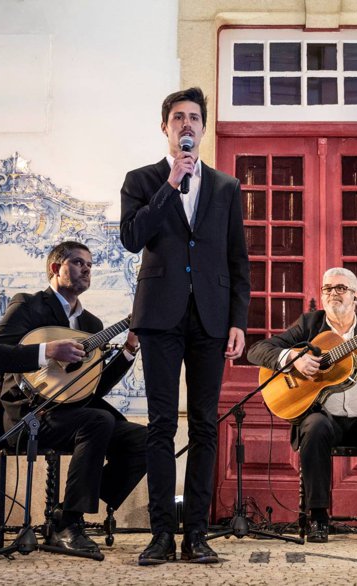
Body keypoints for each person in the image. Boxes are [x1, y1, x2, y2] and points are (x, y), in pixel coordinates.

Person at [120, 87, 250, 565]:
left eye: (195, 117)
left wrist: (238, 321)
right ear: (166, 127)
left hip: (211, 319)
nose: (187, 124)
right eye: (179, 117)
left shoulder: (226, 187)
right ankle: (161, 534)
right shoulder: (141, 180)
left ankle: (196, 533)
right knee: (160, 425)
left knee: (204, 426)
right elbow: (132, 238)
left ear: (204, 127)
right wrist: (170, 183)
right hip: (159, 317)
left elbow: (239, 260)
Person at [0, 241, 147, 557]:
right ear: (56, 268)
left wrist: (129, 348)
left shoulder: (91, 325)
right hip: (30, 416)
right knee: (98, 420)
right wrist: (46, 351)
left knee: (144, 440)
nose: (87, 269)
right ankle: (69, 525)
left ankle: (64, 511)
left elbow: (92, 389)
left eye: (90, 265)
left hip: (75, 414)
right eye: (79, 262)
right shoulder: (28, 306)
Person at [247, 267, 357, 546]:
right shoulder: (309, 325)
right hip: (324, 417)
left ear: (356, 296)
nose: (333, 293)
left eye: (341, 288)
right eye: (327, 288)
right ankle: (319, 518)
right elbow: (256, 350)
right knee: (314, 426)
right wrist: (293, 359)